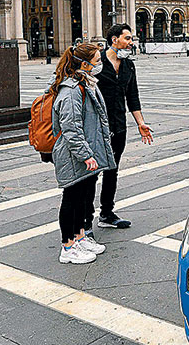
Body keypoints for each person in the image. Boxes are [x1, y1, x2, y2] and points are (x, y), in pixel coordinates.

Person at [49, 42, 116, 264]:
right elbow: (71, 127)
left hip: (84, 150)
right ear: (85, 65)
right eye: (97, 62)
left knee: (82, 198)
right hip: (72, 153)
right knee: (71, 197)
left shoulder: (85, 84)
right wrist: (85, 155)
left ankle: (79, 237)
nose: (100, 65)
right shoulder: (70, 91)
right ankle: (67, 247)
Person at [93, 24, 153, 233]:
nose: (131, 42)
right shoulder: (96, 62)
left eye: (131, 39)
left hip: (119, 126)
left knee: (112, 170)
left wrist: (140, 123)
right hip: (97, 127)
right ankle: (83, 222)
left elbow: (132, 96)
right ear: (114, 40)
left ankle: (106, 213)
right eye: (127, 38)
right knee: (91, 173)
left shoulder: (128, 66)